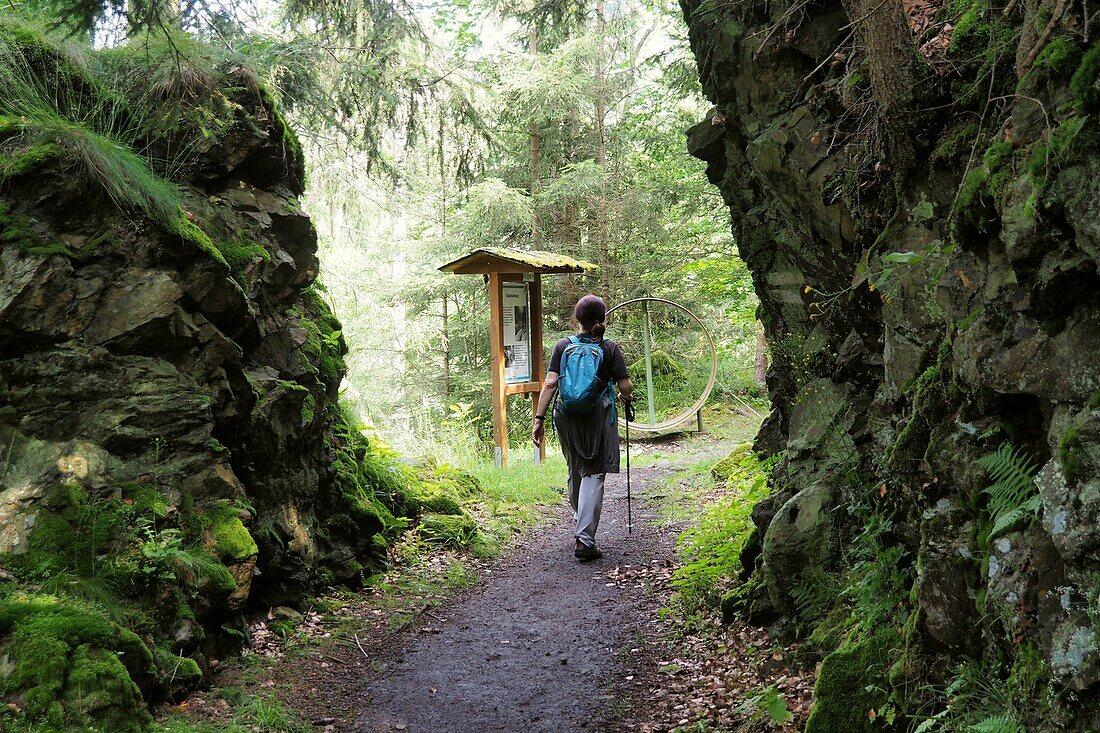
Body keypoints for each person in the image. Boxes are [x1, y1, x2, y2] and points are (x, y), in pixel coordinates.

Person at [533, 294, 634, 561]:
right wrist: (627, 396)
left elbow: (551, 384)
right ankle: (585, 540)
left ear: (577, 319)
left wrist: (538, 419)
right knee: (594, 473)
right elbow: (624, 386)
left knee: (576, 468)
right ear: (603, 319)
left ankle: (581, 519)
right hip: (596, 416)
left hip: (565, 416)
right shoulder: (610, 348)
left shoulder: (562, 345)